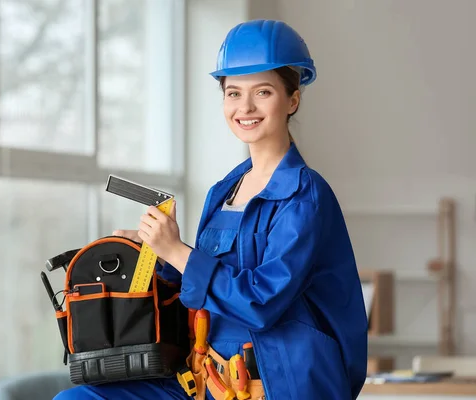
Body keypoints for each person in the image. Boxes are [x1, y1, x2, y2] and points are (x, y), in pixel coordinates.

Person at [54, 19, 368, 400]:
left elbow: (261, 303)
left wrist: (178, 252)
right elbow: (198, 283)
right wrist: (154, 252)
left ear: (293, 99)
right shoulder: (224, 191)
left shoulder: (304, 196)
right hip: (208, 379)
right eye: (233, 93)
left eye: (263, 92)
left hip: (281, 384)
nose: (245, 107)